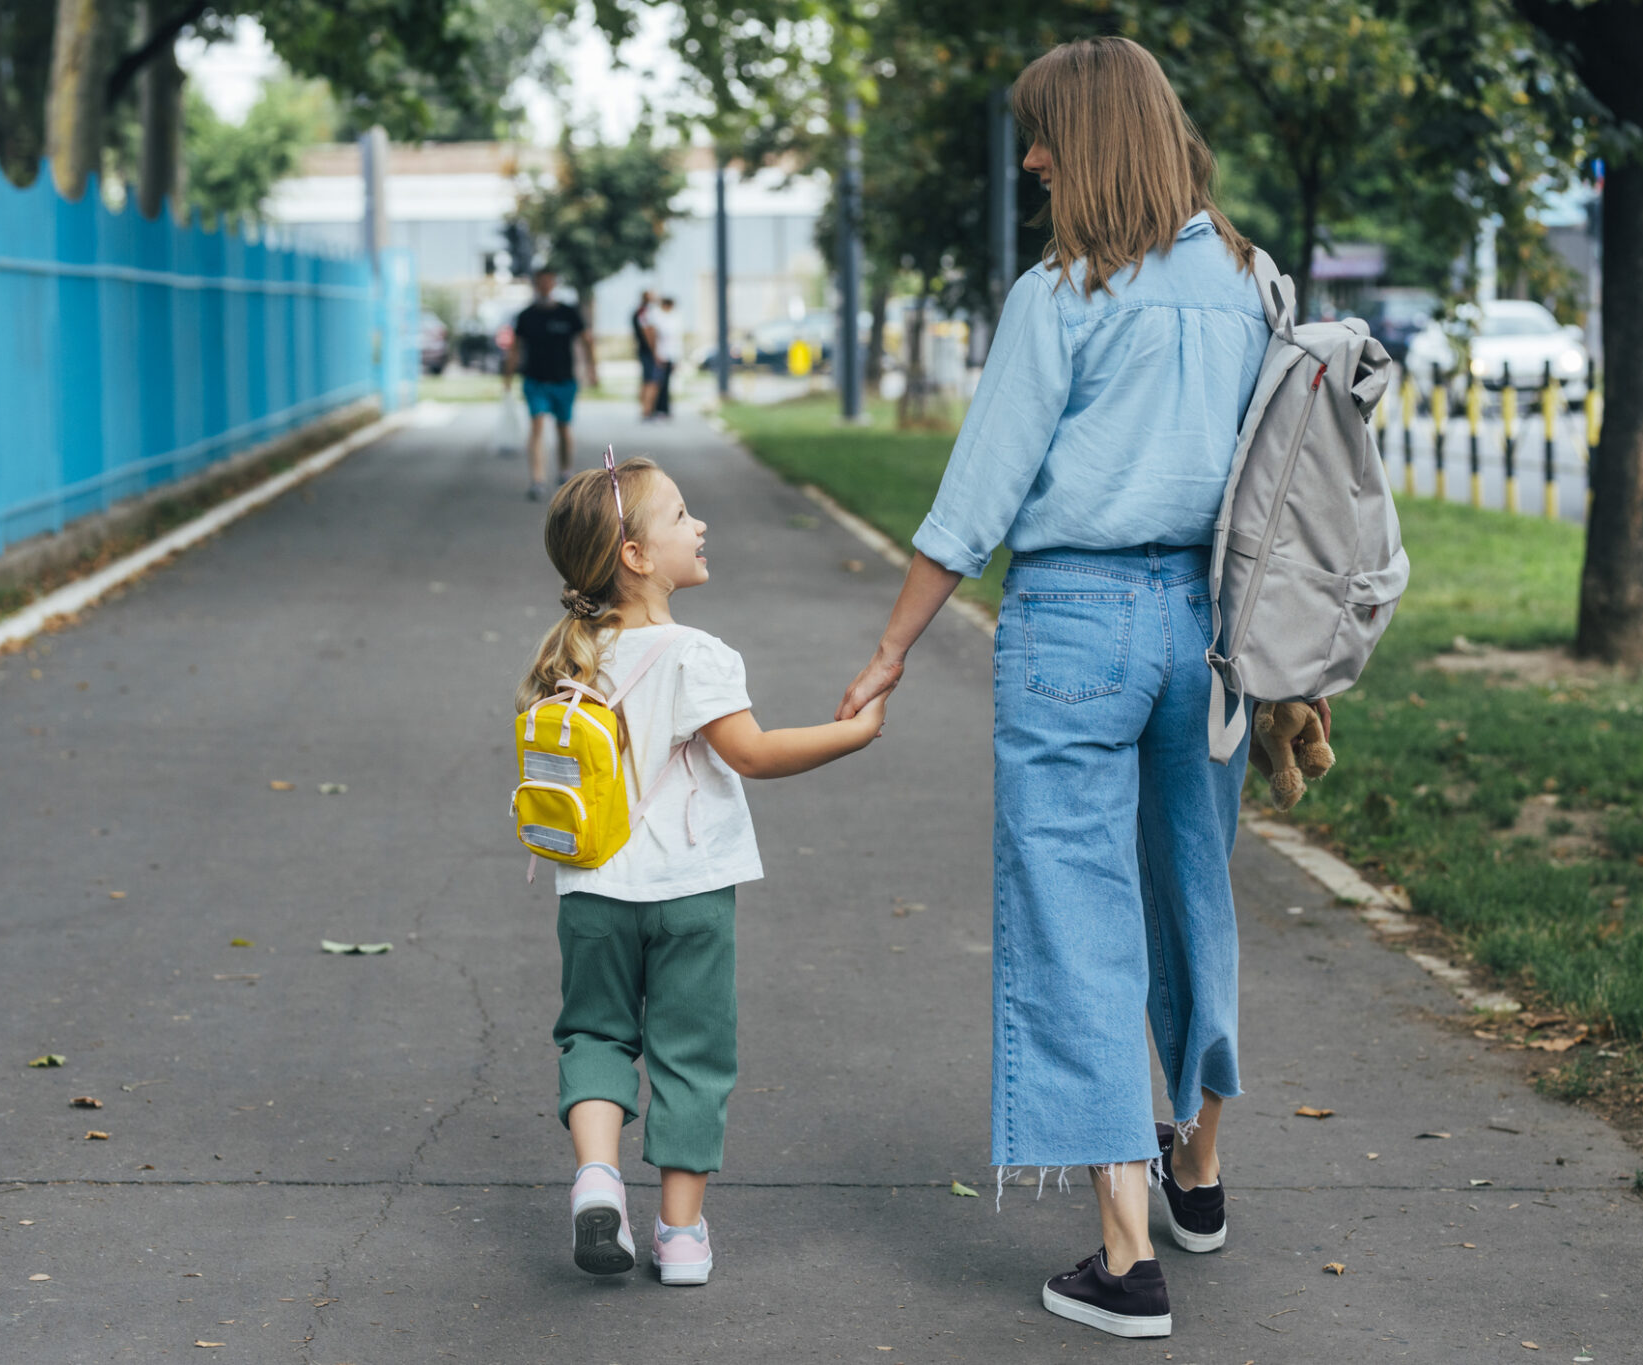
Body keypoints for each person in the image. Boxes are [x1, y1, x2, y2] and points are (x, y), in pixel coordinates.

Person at [835, 36, 1270, 1340]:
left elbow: (977, 501)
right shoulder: (1251, 283)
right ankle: (1197, 1171)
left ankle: (1125, 1260)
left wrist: (895, 646)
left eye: (1041, 135)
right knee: (1196, 886)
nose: (1029, 157)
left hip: (1075, 626)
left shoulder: (1061, 295)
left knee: (1078, 915)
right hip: (1210, 630)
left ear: (1087, 142)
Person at [519, 454, 888, 1286]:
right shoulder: (698, 654)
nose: (701, 524)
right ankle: (680, 1236)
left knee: (595, 1031)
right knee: (692, 1052)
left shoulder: (569, 657)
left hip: (593, 892)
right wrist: (854, 734)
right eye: (682, 514)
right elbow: (752, 754)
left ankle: (597, 1176)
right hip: (691, 895)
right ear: (637, 557)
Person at [507, 269, 595, 499]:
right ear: (536, 285)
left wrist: (591, 368)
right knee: (536, 425)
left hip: (564, 380)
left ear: (554, 284)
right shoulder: (526, 316)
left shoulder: (568, 313)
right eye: (541, 282)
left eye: (549, 281)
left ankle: (565, 471)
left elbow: (586, 340)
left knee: (563, 427)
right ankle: (538, 479)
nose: (545, 286)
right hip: (535, 380)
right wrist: (508, 375)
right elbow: (515, 347)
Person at [649, 295, 684, 420]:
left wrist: (677, 358)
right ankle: (657, 409)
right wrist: (657, 354)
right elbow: (657, 338)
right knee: (659, 383)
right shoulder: (658, 317)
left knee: (667, 383)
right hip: (661, 354)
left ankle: (665, 408)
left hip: (671, 355)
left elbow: (676, 340)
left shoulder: (674, 318)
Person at [632, 290, 661, 420]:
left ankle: (645, 409)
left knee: (646, 380)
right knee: (652, 381)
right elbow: (648, 332)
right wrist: (655, 352)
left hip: (644, 349)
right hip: (649, 351)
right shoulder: (645, 312)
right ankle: (647, 410)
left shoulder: (638, 311)